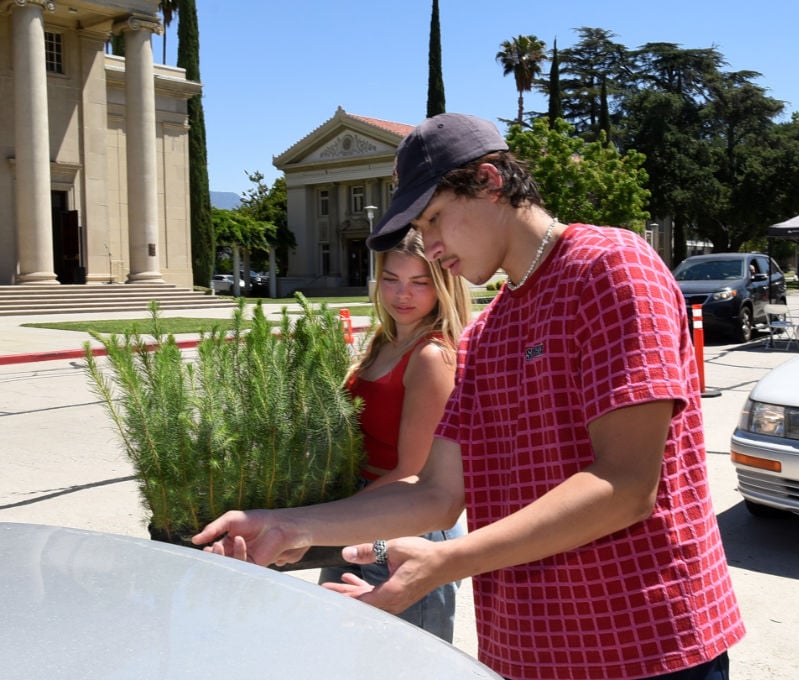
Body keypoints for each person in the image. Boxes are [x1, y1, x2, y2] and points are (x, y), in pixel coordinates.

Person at [195, 112, 745, 679]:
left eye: (433, 218)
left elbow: (626, 484)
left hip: (644, 648)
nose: (429, 247)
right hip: (527, 653)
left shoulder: (610, 266)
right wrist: (293, 526)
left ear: (490, 182)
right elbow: (436, 492)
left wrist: (442, 562)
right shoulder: (486, 333)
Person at [315, 231, 470, 643]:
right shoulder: (384, 341)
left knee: (403, 657)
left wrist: (327, 519)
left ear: (441, 287)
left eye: (419, 282)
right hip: (365, 508)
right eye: (391, 279)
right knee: (342, 646)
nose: (403, 294)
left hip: (407, 523)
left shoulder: (431, 356)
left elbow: (413, 472)